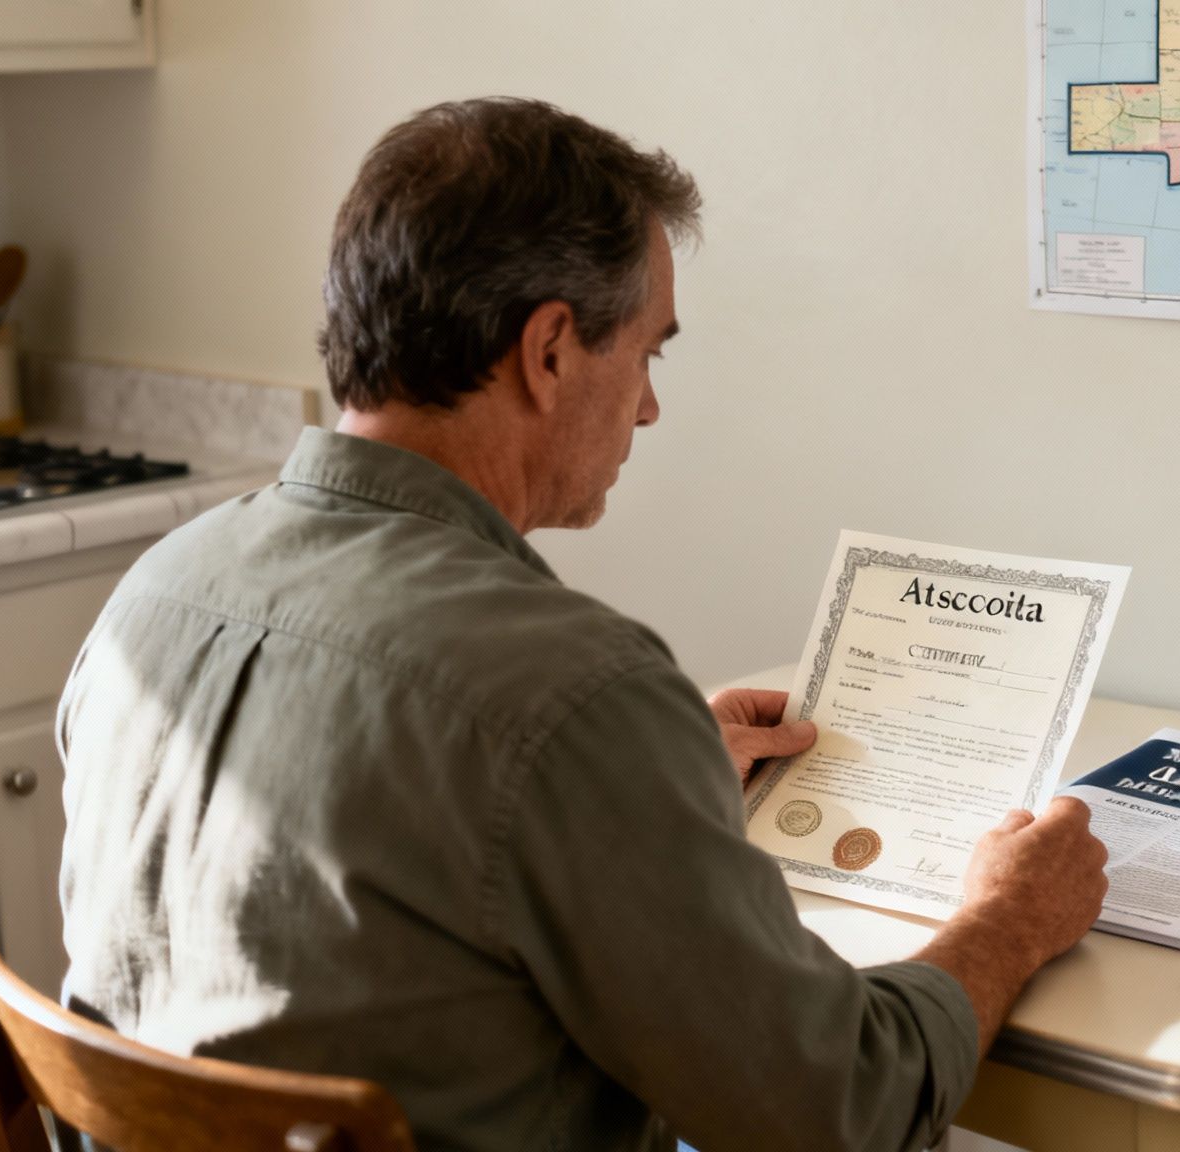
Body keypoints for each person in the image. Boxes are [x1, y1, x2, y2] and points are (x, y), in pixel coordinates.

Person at [56, 97, 1109, 1152]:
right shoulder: (569, 691)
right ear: (550, 349)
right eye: (649, 352)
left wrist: (639, 773)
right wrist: (1008, 922)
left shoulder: (153, 595)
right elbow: (840, 1113)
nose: (648, 407)